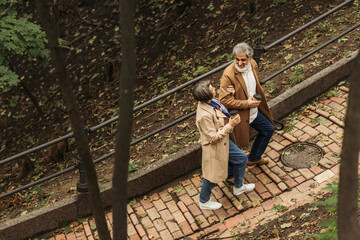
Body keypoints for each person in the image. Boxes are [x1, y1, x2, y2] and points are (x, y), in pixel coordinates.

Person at [193, 80, 255, 210]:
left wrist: (230, 96)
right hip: (215, 146)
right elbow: (212, 138)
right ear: (206, 95)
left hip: (224, 141)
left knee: (241, 158)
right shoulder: (204, 115)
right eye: (212, 88)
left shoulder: (212, 102)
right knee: (212, 176)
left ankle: (238, 186)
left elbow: (223, 112)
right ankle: (203, 201)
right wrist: (230, 125)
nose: (214, 89)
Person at [219, 42, 274, 166]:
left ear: (250, 58)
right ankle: (231, 175)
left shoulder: (253, 65)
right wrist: (246, 103)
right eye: (237, 59)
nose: (239, 63)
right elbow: (223, 100)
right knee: (236, 148)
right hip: (239, 116)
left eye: (243, 60)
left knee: (268, 129)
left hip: (254, 112)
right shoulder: (228, 75)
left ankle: (254, 158)